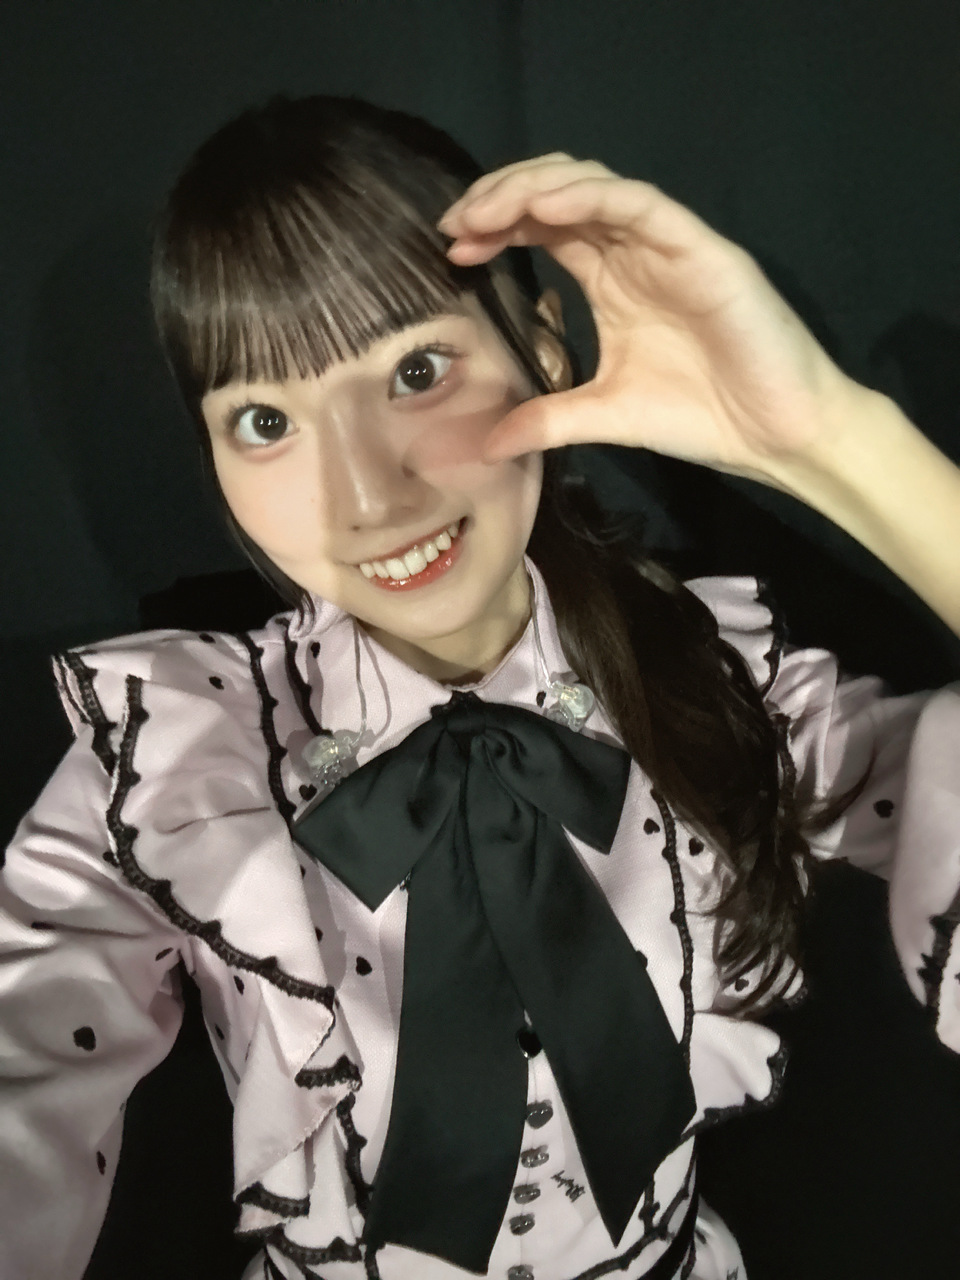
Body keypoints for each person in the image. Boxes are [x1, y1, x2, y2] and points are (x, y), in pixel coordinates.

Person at [1, 94, 958, 1280]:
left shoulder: (720, 679)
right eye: (264, 418)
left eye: (417, 368)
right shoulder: (182, 768)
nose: (367, 496)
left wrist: (832, 436)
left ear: (542, 347)